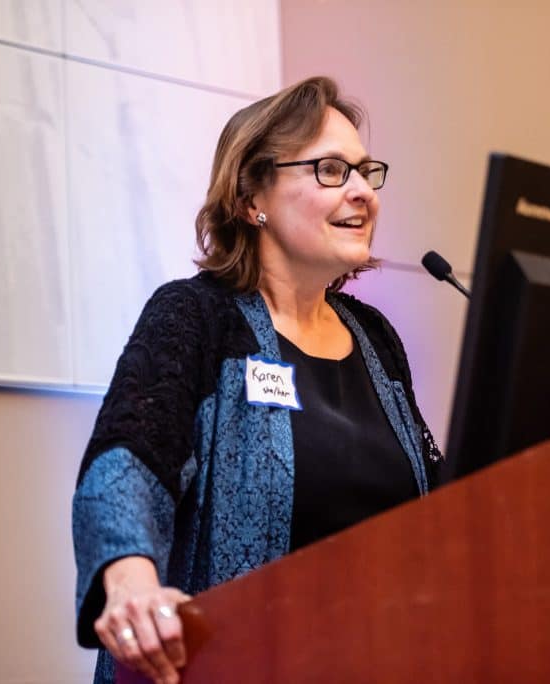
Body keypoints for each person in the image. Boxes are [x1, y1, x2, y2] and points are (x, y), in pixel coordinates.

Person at [72, 76, 443, 684]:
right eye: (330, 169)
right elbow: (126, 464)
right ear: (251, 199)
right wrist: (131, 582)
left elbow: (435, 494)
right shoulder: (197, 317)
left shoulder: (375, 336)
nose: (362, 192)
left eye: (364, 171)